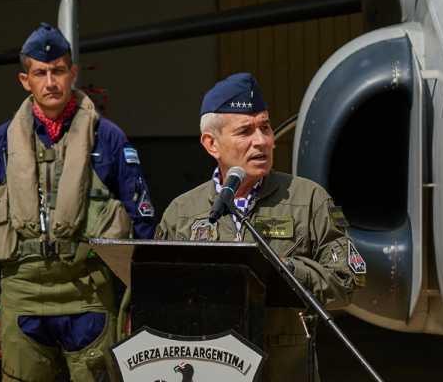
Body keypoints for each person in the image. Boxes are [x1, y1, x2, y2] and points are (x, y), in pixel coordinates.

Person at [0, 23, 156, 382]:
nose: (51, 82)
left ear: (73, 73)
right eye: (40, 73)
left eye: (58, 71)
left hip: (88, 295)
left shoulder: (107, 138)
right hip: (22, 296)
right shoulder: (0, 143)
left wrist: (142, 298)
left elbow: (142, 219)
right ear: (25, 80)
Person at [155, 73, 362, 381]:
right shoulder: (182, 212)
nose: (262, 141)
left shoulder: (310, 199)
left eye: (265, 127)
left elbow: (350, 279)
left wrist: (284, 271)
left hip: (286, 369)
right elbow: (156, 298)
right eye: (245, 131)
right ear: (211, 143)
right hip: (210, 367)